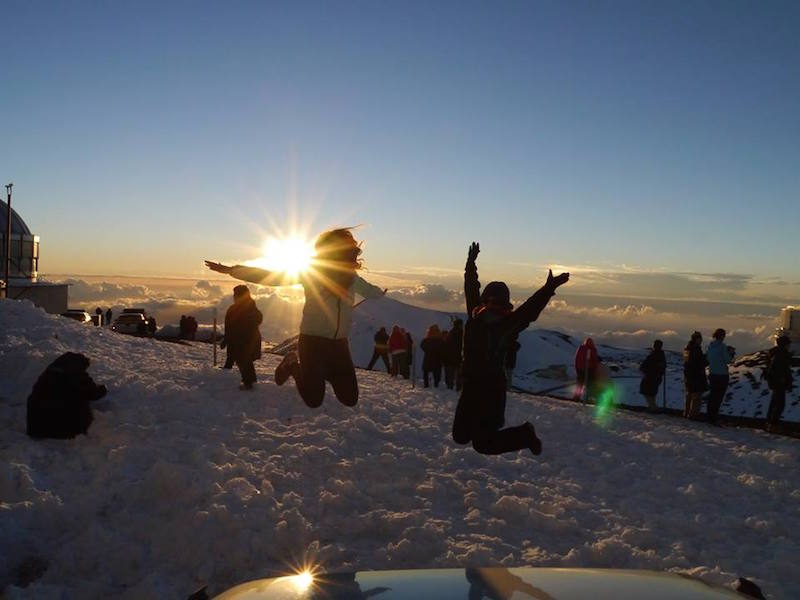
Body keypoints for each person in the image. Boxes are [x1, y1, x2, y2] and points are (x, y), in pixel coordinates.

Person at [206, 228, 386, 407]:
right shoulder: (313, 273)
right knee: (313, 400)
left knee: (350, 398)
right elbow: (271, 277)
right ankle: (292, 365)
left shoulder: (352, 278)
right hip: (313, 341)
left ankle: (322, 372)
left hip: (339, 343)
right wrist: (233, 270)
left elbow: (369, 291)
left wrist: (380, 293)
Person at [452, 242, 569, 456]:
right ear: (484, 301)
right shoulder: (475, 316)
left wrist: (549, 288)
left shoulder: (509, 325)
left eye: (497, 303)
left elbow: (530, 309)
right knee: (460, 436)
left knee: (483, 444)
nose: (492, 306)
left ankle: (525, 434)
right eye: (489, 301)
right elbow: (471, 288)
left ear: (505, 305)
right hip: (470, 385)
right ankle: (482, 429)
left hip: (492, 389)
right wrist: (470, 263)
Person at [221, 285, 263, 390]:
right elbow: (229, 326)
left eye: (236, 295)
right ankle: (247, 381)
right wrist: (226, 339)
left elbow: (258, 318)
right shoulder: (233, 309)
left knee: (244, 360)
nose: (234, 297)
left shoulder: (251, 309)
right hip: (236, 341)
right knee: (239, 358)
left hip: (247, 341)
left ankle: (249, 383)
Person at [705, 328, 734, 424]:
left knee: (712, 395)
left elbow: (708, 359)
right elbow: (728, 360)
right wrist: (731, 353)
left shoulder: (710, 346)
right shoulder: (722, 347)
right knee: (718, 397)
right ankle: (714, 417)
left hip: (712, 373)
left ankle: (709, 416)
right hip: (722, 374)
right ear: (722, 336)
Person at [765, 335, 793, 431]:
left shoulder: (776, 354)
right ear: (785, 344)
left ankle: (770, 422)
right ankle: (773, 424)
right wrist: (784, 380)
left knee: (774, 403)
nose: (790, 345)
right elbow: (782, 370)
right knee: (780, 404)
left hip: (776, 382)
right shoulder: (781, 355)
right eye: (788, 344)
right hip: (779, 382)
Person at [683, 331, 708, 419]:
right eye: (700, 338)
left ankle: (686, 412)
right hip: (696, 376)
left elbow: (687, 362)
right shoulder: (696, 349)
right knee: (696, 396)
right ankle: (693, 414)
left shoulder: (687, 348)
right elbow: (699, 363)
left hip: (688, 375)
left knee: (689, 395)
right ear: (696, 339)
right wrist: (706, 359)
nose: (701, 340)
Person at [639, 339, 666, 412]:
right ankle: (652, 406)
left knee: (647, 391)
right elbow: (662, 367)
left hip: (651, 376)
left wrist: (645, 369)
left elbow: (646, 365)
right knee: (651, 392)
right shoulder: (661, 355)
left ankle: (652, 407)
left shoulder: (654, 355)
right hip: (655, 377)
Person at [444, 318, 464, 390]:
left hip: (450, 356)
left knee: (451, 374)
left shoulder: (451, 333)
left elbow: (446, 344)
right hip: (459, 356)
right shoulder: (462, 333)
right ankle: (458, 387)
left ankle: (450, 387)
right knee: (459, 373)